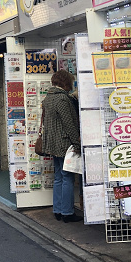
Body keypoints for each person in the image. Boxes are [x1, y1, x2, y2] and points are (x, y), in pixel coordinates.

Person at [42, 70, 81, 223]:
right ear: (66, 82)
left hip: (52, 143)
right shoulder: (62, 100)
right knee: (67, 178)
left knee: (58, 177)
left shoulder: (48, 98)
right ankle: (67, 213)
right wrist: (77, 143)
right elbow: (69, 124)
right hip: (64, 143)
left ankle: (57, 210)